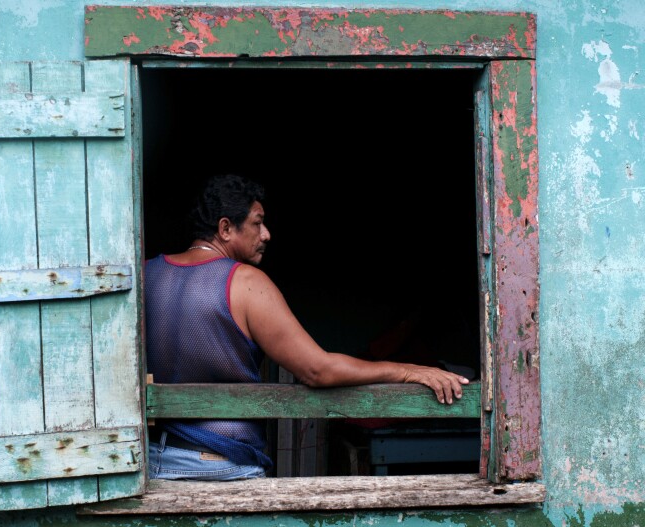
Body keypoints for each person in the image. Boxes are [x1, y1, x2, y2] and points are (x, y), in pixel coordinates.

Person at [145, 173, 470, 480]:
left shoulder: (147, 273)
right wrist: (407, 371)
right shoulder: (245, 282)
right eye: (257, 223)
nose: (266, 234)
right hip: (221, 468)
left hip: (153, 463)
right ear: (226, 228)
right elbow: (317, 370)